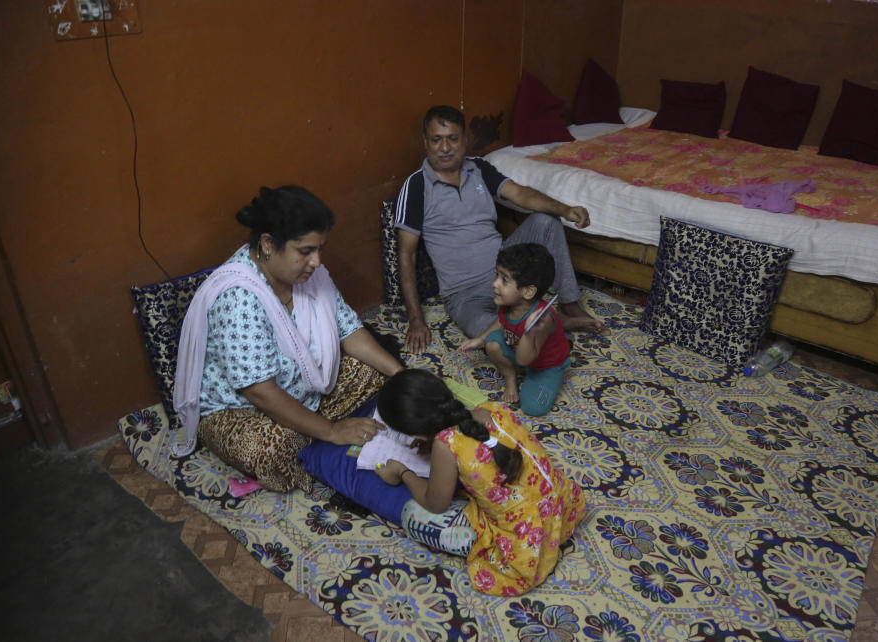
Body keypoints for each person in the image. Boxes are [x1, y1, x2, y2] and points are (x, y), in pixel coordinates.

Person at [173, 185, 405, 497]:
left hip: (304, 388)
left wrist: (402, 375)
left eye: (320, 248)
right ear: (268, 244)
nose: (317, 262)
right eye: (305, 251)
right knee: (269, 449)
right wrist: (333, 431)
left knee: (379, 374)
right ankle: (318, 436)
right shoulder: (239, 297)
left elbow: (349, 331)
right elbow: (260, 392)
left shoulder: (308, 275)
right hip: (241, 409)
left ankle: (313, 432)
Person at [394, 105, 609, 354]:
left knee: (545, 221)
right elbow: (405, 254)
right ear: (425, 143)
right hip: (465, 294)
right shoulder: (416, 186)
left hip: (506, 271)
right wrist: (416, 320)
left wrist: (564, 209)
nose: (445, 148)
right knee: (496, 338)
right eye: (436, 140)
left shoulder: (479, 168)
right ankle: (552, 324)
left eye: (453, 139)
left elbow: (518, 193)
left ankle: (569, 306)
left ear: (465, 139)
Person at [374, 369, 586, 596]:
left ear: (415, 434)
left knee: (413, 515)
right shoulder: (491, 408)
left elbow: (435, 504)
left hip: (528, 542)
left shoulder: (445, 445)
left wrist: (402, 471)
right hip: (562, 507)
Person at [459, 243, 570, 415]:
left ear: (528, 292)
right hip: (520, 351)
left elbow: (524, 359)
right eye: (497, 276)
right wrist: (480, 339)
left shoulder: (543, 321)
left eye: (504, 280)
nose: (495, 283)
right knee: (491, 343)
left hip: (545, 365)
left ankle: (565, 343)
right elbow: (501, 321)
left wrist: (528, 331)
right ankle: (511, 377)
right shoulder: (507, 303)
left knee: (533, 407)